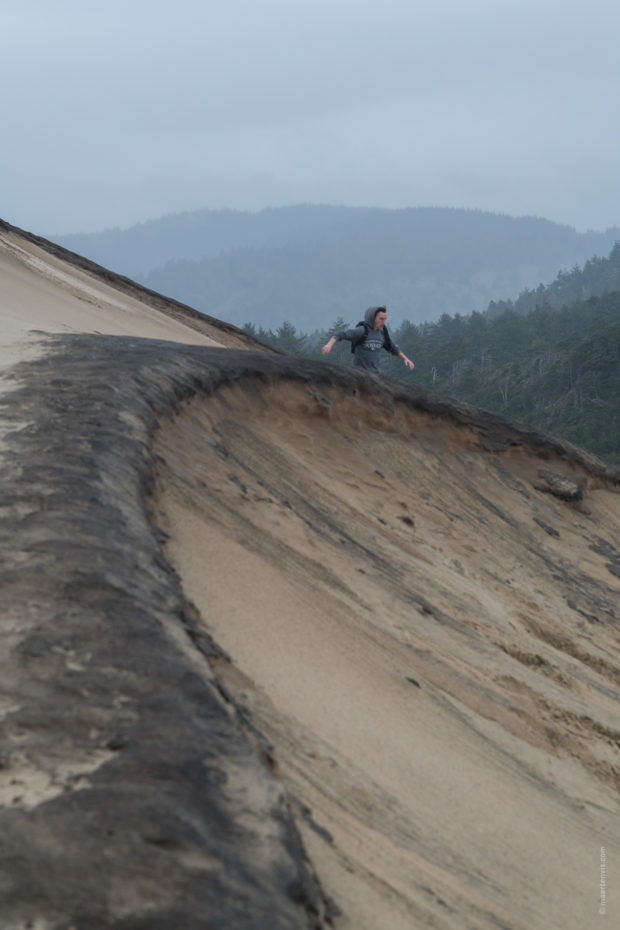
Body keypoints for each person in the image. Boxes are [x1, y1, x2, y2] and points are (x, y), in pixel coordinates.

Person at [321, 306, 414, 374]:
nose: (384, 322)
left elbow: (393, 348)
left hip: (375, 375)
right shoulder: (362, 331)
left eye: (385, 319)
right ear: (373, 318)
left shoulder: (382, 334)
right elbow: (340, 334)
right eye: (381, 319)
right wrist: (329, 345)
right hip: (359, 374)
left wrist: (406, 359)